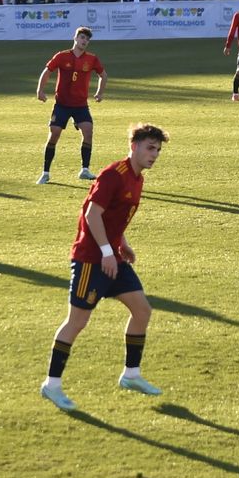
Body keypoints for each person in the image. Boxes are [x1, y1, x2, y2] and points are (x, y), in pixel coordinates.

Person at [39, 123, 170, 412]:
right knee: (77, 323)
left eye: (158, 150)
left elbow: (113, 216)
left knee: (142, 310)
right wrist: (107, 251)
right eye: (150, 148)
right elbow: (91, 213)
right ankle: (52, 385)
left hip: (112, 256)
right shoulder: (114, 175)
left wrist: (122, 243)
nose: (154, 154)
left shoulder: (138, 178)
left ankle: (131, 375)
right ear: (133, 146)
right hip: (91, 259)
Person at [34, 26, 105, 185]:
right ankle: (45, 172)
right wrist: (40, 90)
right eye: (82, 38)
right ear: (75, 38)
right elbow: (47, 71)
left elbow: (103, 75)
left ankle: (84, 170)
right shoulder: (62, 56)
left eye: (87, 39)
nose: (84, 41)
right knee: (54, 134)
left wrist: (100, 93)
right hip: (62, 105)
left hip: (80, 105)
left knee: (88, 131)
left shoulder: (92, 59)